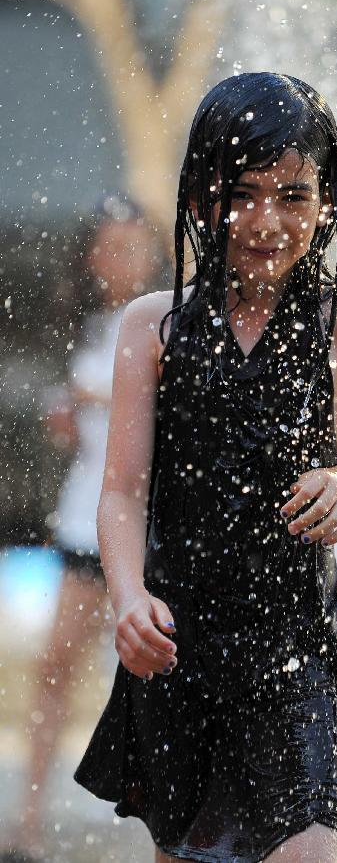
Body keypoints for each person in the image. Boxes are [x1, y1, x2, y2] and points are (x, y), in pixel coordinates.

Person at [73, 72, 337, 862]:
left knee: (314, 847)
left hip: (298, 642)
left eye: (293, 195)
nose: (265, 221)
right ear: (198, 194)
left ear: (327, 199)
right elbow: (121, 492)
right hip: (181, 644)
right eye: (240, 193)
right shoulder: (154, 327)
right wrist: (127, 599)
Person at [3, 196, 158, 863]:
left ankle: (171, 829)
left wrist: (102, 400)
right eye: (104, 245)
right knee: (55, 669)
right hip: (82, 519)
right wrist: (71, 417)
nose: (112, 259)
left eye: (126, 245)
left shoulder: (166, 319)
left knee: (161, 678)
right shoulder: (86, 323)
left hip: (148, 530)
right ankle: (27, 821)